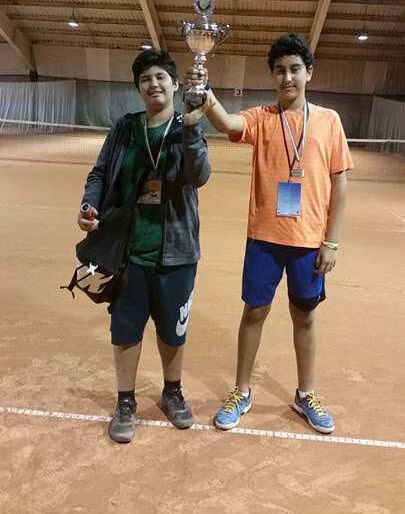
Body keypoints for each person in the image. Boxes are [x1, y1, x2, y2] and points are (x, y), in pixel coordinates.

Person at [185, 33, 353, 434]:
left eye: (295, 69)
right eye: (280, 70)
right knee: (254, 312)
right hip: (264, 236)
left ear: (309, 73)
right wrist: (206, 94)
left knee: (305, 317)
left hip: (309, 241)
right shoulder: (262, 117)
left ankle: (305, 394)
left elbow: (340, 182)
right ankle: (241, 391)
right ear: (272, 76)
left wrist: (331, 241)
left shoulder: (329, 120)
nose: (287, 77)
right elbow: (228, 123)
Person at [77, 49, 210, 443]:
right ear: (138, 87)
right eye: (145, 79)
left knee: (173, 331)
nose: (153, 84)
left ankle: (172, 392)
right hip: (127, 252)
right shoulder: (125, 128)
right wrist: (89, 205)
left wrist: (192, 128)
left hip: (177, 252)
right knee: (125, 329)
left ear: (175, 84)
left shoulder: (186, 127)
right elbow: (100, 173)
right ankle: (125, 401)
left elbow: (198, 176)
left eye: (160, 77)